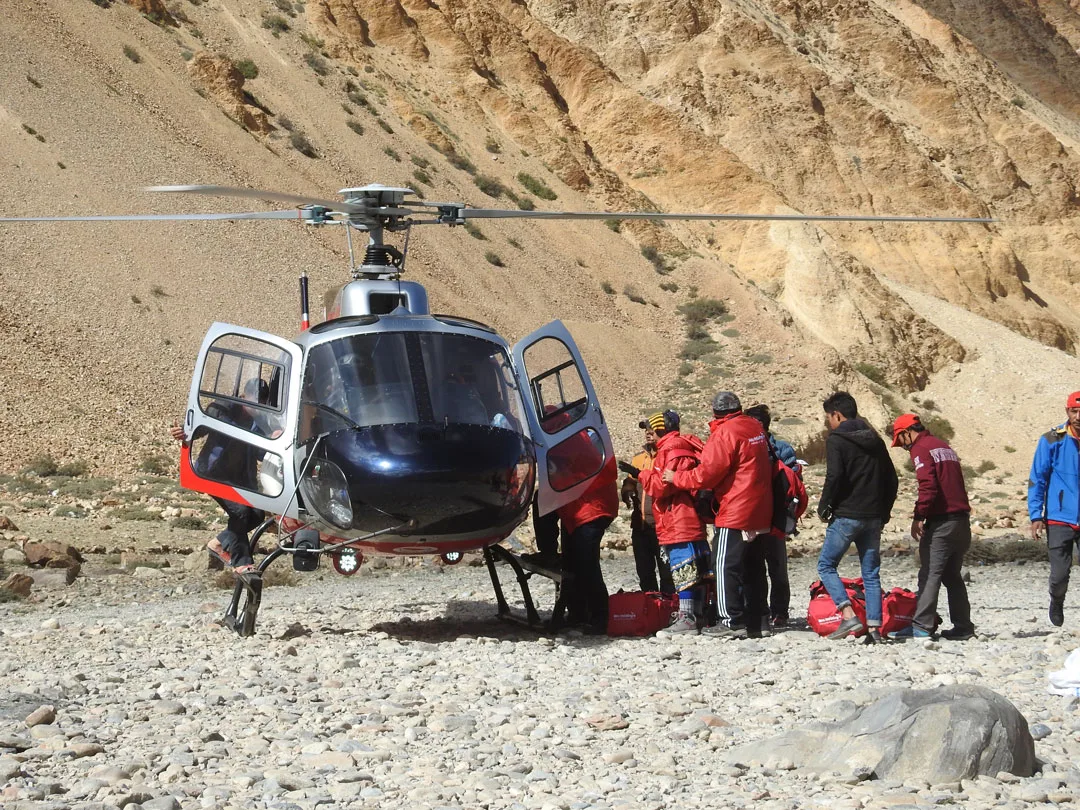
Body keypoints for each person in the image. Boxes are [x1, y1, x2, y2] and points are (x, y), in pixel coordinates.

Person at [663, 391, 773, 638]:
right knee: (754, 566)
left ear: (715, 413)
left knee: (724, 564)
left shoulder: (725, 433)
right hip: (761, 508)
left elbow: (707, 474)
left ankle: (730, 620)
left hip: (736, 509)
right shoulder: (754, 427)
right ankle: (759, 619)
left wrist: (676, 478)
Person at [170, 378, 275, 578]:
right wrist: (183, 432)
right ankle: (242, 563)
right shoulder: (223, 409)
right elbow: (198, 428)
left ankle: (218, 544)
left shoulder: (260, 422)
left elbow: (261, 453)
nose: (258, 407)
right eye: (256, 400)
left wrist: (275, 439)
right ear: (245, 396)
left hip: (241, 478)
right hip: (214, 474)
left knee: (257, 515)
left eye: (263, 402)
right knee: (241, 512)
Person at [816, 392, 898, 642]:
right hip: (873, 516)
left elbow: (835, 477)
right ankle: (874, 629)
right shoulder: (875, 439)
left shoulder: (837, 440)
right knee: (871, 573)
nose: (829, 422)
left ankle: (848, 614)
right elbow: (892, 479)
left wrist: (824, 506)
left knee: (826, 565)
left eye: (829, 417)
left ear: (837, 415)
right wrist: (884, 512)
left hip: (846, 515)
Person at [890, 413, 974, 640]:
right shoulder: (943, 446)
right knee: (952, 577)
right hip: (962, 522)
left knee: (930, 575)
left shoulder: (921, 448)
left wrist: (919, 516)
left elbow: (928, 485)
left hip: (942, 524)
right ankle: (963, 627)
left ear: (908, 432)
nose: (904, 448)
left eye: (901, 441)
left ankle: (922, 626)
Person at [638, 410, 709, 634]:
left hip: (677, 517)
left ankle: (686, 618)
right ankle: (699, 615)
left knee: (682, 566)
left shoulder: (669, 449)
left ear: (661, 428)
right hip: (689, 516)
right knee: (697, 568)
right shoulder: (683, 445)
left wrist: (642, 475)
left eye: (651, 427)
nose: (649, 432)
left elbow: (661, 487)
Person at [554, 442, 620, 634]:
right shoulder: (572, 439)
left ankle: (600, 617)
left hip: (589, 511)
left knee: (587, 566)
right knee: (571, 564)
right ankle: (577, 614)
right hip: (575, 512)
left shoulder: (570, 443)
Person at [1028, 391, 1080, 627]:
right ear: (1067, 411)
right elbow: (1037, 478)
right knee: (1059, 575)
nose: (1078, 416)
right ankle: (1057, 601)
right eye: (1074, 411)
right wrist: (1035, 514)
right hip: (1059, 517)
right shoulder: (1051, 439)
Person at [745, 404, 797, 629]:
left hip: (765, 517)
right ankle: (767, 613)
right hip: (767, 517)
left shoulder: (779, 449)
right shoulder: (783, 449)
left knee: (770, 568)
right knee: (765, 568)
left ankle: (775, 612)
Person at [621, 414, 674, 594]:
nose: (648, 433)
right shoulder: (638, 458)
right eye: (646, 430)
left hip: (661, 526)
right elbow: (630, 481)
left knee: (667, 572)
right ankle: (651, 606)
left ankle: (669, 605)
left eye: (652, 430)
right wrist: (627, 490)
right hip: (640, 525)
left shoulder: (667, 456)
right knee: (644, 572)